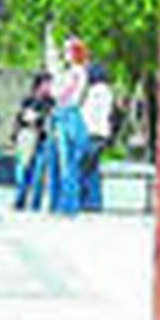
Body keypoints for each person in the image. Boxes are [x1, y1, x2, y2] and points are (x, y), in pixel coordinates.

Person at [47, 34, 90, 216]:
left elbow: (62, 94)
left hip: (68, 113)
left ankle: (68, 204)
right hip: (66, 113)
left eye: (67, 50)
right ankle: (65, 203)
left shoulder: (77, 72)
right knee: (65, 161)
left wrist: (56, 86)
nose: (65, 54)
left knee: (67, 161)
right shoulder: (72, 72)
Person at [12, 71, 55, 212]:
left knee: (39, 173)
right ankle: (19, 200)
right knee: (23, 170)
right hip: (28, 137)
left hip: (43, 139)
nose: (49, 87)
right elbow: (21, 118)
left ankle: (35, 203)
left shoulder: (51, 102)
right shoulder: (29, 100)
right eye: (46, 84)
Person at [78, 61, 116, 212]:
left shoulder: (94, 92)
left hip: (92, 132)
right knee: (92, 168)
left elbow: (87, 114)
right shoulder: (108, 92)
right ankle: (94, 201)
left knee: (84, 168)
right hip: (102, 133)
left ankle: (88, 201)